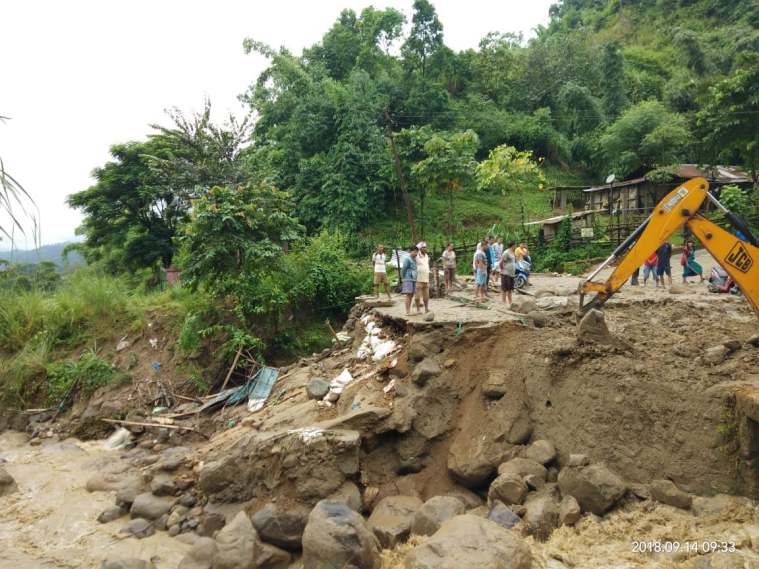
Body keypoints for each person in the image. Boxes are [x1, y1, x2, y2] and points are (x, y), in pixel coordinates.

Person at [401, 246, 418, 316]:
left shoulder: (414, 259)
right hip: (408, 278)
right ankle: (407, 311)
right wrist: (403, 277)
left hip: (413, 279)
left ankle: (409, 310)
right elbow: (404, 269)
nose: (416, 253)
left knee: (411, 295)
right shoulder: (407, 259)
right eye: (414, 252)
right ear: (410, 251)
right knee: (408, 294)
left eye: (417, 252)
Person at [415, 241, 430, 314]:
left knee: (426, 295)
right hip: (418, 278)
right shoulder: (416, 255)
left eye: (425, 247)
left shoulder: (426, 255)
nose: (425, 248)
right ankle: (418, 309)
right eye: (423, 247)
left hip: (426, 278)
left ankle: (426, 309)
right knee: (417, 296)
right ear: (420, 248)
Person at [500, 241, 517, 305]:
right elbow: (501, 262)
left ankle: (510, 302)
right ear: (512, 246)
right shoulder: (506, 253)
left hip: (511, 273)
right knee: (504, 288)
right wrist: (503, 270)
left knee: (510, 289)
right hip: (506, 273)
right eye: (515, 245)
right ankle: (504, 302)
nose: (515, 246)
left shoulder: (513, 252)